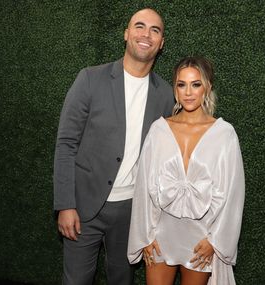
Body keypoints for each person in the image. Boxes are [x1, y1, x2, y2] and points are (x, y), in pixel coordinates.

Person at [53, 8, 174, 285]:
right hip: (83, 208)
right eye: (139, 26)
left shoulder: (166, 95)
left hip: (132, 212)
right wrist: (65, 204)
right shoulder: (90, 79)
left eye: (155, 30)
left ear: (161, 42)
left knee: (122, 280)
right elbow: (66, 144)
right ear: (127, 34)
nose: (146, 34)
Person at [127, 56, 245, 285]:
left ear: (207, 86)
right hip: (160, 236)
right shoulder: (159, 129)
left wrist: (215, 241)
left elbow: (233, 194)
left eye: (196, 84)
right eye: (182, 84)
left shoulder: (224, 134)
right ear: (175, 89)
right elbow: (143, 186)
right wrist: (145, 236)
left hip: (200, 240)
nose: (188, 92)